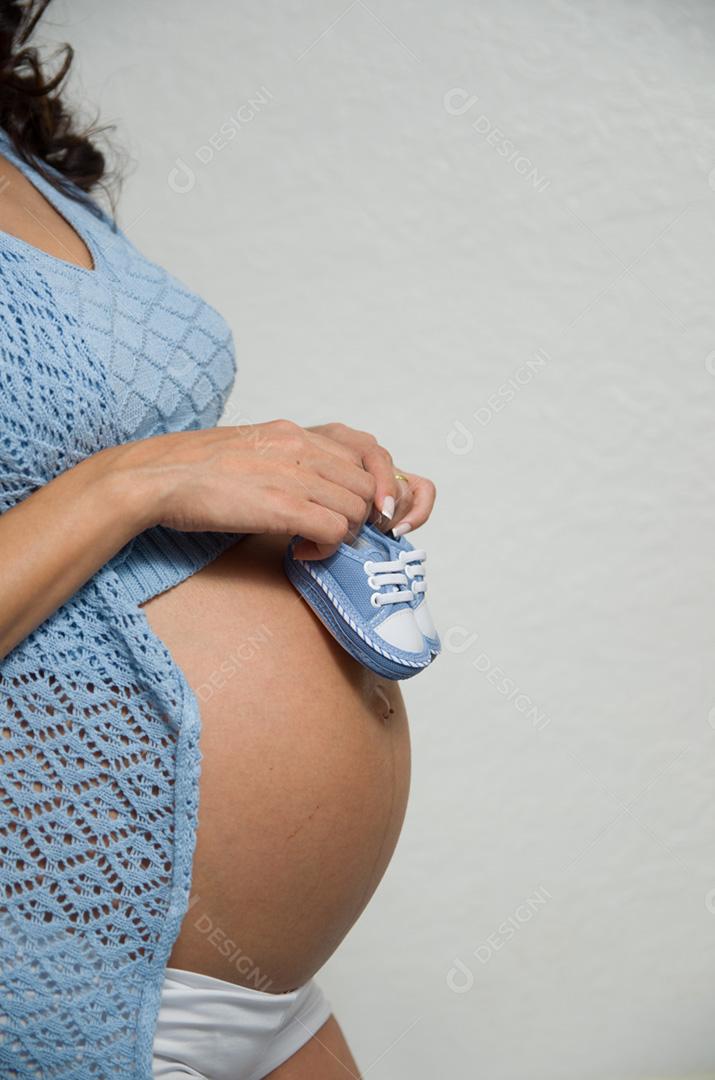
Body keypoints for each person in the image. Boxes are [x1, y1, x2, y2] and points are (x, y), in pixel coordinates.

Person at [0, 2, 437, 1077]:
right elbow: (126, 477)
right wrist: (142, 479)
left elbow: (113, 454)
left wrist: (289, 470)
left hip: (251, 988)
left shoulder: (28, 158)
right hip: (61, 975)